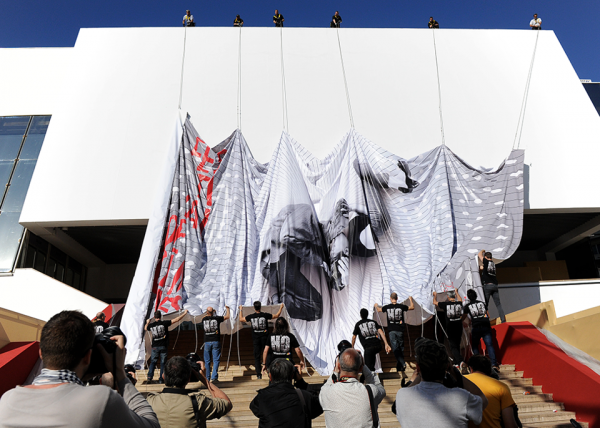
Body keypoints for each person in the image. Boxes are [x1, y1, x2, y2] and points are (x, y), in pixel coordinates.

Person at [0, 310, 160, 428]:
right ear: (87, 357)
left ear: (41, 353)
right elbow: (152, 424)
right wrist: (120, 373)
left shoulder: (7, 401)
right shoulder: (101, 400)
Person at [395, 338, 487, 427]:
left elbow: (395, 406)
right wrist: (453, 371)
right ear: (447, 366)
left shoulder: (402, 395)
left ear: (418, 367)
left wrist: (421, 372)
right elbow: (483, 399)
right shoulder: (462, 397)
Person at [147, 356, 232, 428]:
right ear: (189, 379)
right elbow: (227, 403)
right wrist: (204, 379)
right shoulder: (198, 402)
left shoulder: (150, 401)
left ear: (163, 376)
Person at [319, 348, 386, 428]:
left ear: (339, 366)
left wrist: (335, 371)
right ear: (360, 368)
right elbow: (380, 388)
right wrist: (364, 367)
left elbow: (329, 383)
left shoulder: (326, 392)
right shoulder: (370, 391)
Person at [250, 358, 323, 427]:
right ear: (292, 376)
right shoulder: (304, 396)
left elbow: (255, 409)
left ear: (270, 376)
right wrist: (301, 383)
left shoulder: (261, 397)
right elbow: (319, 405)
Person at [466, 355, 519, 428]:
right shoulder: (501, 387)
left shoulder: (459, 382)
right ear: (490, 371)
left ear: (471, 369)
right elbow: (510, 424)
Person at [239, 301, 284, 379]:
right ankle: (269, 369)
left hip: (256, 339)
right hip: (265, 338)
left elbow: (241, 319)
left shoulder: (251, 316)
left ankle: (259, 374)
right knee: (268, 353)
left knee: (257, 356)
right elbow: (276, 315)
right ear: (260, 307)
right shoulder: (265, 315)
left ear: (254, 308)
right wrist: (281, 307)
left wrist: (240, 309)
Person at [375, 293, 415, 373]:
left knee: (395, 348)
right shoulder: (401, 306)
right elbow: (412, 307)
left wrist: (376, 305)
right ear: (397, 298)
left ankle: (402, 363)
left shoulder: (387, 307)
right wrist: (410, 299)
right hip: (400, 330)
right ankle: (400, 367)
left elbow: (379, 310)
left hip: (391, 330)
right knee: (401, 348)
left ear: (390, 298)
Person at [145, 309, 189, 383]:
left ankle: (149, 377)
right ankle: (161, 379)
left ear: (154, 317)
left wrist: (147, 322)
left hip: (155, 346)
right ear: (161, 316)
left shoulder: (151, 325)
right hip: (163, 346)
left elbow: (146, 328)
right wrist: (184, 313)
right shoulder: (164, 323)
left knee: (153, 362)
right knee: (163, 363)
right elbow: (176, 320)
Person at [465, 289, 499, 370]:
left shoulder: (467, 306)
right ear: (476, 295)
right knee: (489, 345)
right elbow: (488, 315)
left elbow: (464, 317)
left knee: (475, 346)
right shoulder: (483, 303)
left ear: (469, 297)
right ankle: (494, 364)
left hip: (476, 327)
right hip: (486, 326)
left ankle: (478, 365)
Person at [433, 289, 466, 369]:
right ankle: (456, 363)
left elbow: (435, 302)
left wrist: (435, 295)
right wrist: (457, 292)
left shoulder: (446, 305)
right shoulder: (459, 303)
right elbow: (460, 300)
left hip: (450, 327)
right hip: (459, 326)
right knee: (457, 344)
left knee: (452, 346)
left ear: (447, 296)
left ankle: (461, 361)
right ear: (454, 296)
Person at [202, 306, 230, 382]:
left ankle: (207, 378)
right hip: (215, 341)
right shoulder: (217, 318)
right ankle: (214, 377)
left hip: (207, 342)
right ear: (213, 312)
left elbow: (205, 316)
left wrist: (209, 312)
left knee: (207, 361)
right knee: (216, 360)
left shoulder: (204, 319)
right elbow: (227, 316)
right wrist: (227, 309)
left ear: (207, 312)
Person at [478, 250, 506, 323]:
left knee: (485, 304)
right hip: (495, 285)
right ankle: (503, 320)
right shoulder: (492, 264)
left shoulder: (486, 261)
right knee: (498, 304)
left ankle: (485, 320)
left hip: (487, 285)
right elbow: (483, 269)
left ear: (486, 257)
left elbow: (479, 255)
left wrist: (482, 251)